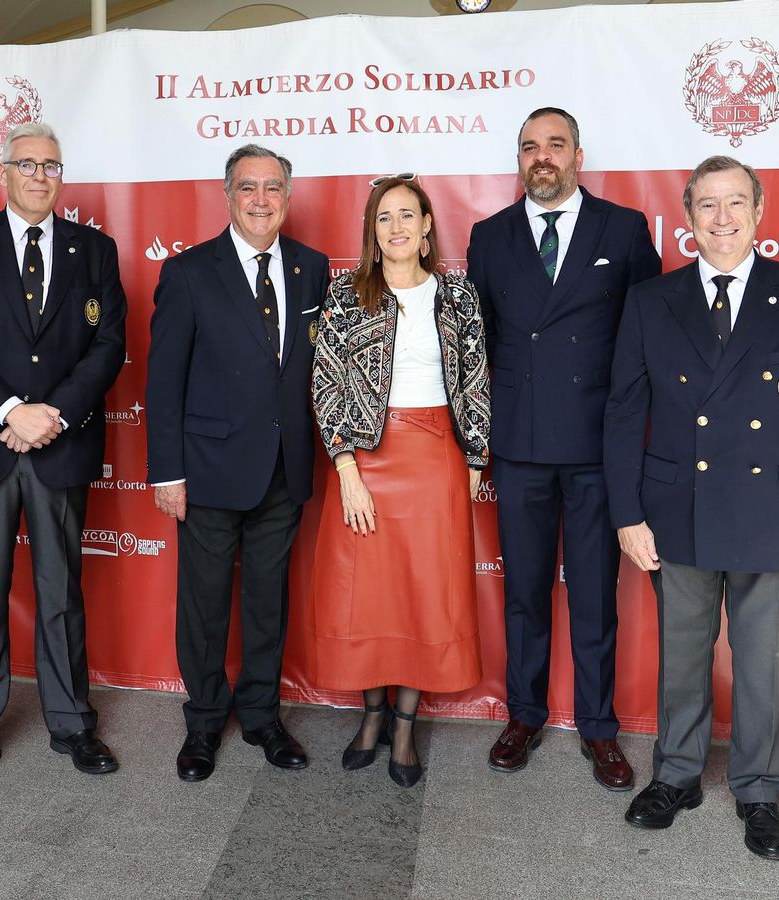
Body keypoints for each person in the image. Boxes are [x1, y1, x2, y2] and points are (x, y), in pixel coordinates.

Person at [605, 156, 779, 861]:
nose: (722, 219)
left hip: (775, 514)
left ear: (760, 211)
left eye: (735, 204)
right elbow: (625, 413)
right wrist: (627, 512)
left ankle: (758, 790)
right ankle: (678, 776)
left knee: (763, 663)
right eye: (708, 206)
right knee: (682, 658)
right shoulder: (651, 301)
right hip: (675, 510)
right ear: (688, 218)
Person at [0, 122, 127, 796]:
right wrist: (11, 410)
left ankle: (72, 724)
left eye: (52, 166)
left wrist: (54, 414)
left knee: (59, 592)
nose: (41, 176)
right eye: (28, 164)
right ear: (3, 173)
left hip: (61, 445)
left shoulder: (94, 249)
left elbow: (107, 345)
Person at [467, 106, 662, 790]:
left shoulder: (625, 229)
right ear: (518, 159)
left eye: (555, 144)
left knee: (593, 595)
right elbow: (477, 345)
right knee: (523, 592)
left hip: (596, 450)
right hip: (518, 446)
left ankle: (599, 728)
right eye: (529, 147)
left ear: (579, 153)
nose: (541, 156)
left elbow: (649, 339)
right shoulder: (488, 237)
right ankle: (523, 714)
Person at [146, 144, 329, 782]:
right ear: (227, 196)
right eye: (247, 187)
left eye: (273, 187)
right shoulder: (190, 271)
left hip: (283, 468)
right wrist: (167, 472)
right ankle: (202, 724)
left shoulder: (313, 268)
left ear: (287, 197)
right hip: (208, 471)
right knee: (202, 604)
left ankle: (261, 717)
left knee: (266, 602)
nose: (260, 199)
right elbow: (163, 383)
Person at [308, 176, 490, 788]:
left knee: (422, 593)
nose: (397, 227)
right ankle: (371, 715)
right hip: (365, 460)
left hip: (436, 457)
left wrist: (473, 461)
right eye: (384, 218)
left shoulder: (457, 297)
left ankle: (405, 727)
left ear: (428, 224)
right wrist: (347, 470)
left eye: (407, 215)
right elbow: (325, 380)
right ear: (373, 230)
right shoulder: (346, 294)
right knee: (369, 594)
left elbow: (475, 381)